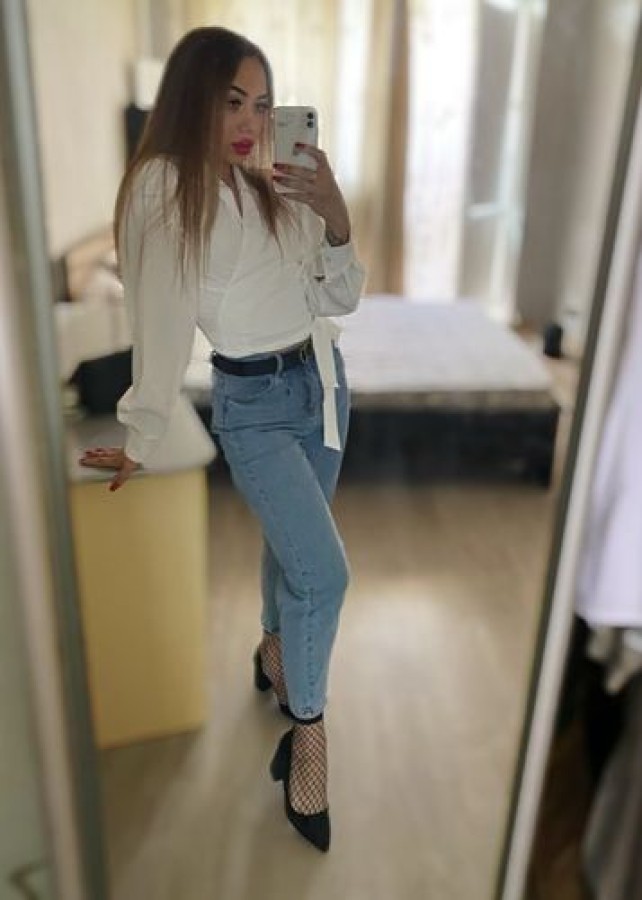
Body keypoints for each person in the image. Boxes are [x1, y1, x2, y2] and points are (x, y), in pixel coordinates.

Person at [79, 26, 364, 852]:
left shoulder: (269, 182)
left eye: (263, 104)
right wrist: (142, 430)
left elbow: (337, 299)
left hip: (324, 384)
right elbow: (159, 318)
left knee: (292, 553)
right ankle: (306, 741)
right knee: (325, 574)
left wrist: (335, 215)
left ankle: (274, 652)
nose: (250, 121)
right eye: (232, 100)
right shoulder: (164, 186)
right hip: (254, 405)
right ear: (191, 98)